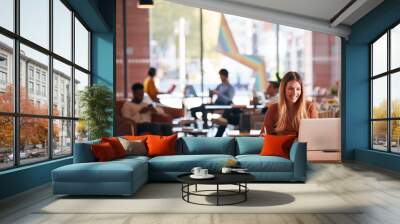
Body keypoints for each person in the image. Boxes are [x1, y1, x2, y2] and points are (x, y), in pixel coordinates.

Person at [261, 71, 318, 136]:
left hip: (302, 145)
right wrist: (264, 136)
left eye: (298, 89)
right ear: (283, 90)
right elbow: (264, 134)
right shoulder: (273, 109)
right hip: (280, 145)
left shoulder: (309, 107)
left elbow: (315, 134)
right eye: (290, 89)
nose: (294, 93)